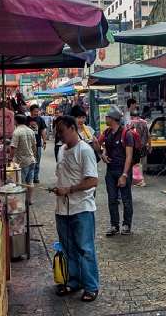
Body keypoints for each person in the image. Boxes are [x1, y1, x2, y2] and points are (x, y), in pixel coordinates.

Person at [52, 115, 100, 302]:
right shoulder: (62, 150)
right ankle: (73, 281)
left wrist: (69, 189)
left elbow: (93, 180)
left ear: (73, 128)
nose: (59, 135)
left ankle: (91, 286)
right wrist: (59, 189)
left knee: (85, 249)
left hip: (82, 208)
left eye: (62, 131)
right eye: (57, 132)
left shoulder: (85, 150)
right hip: (62, 209)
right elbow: (63, 175)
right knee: (68, 247)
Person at [98, 106, 134, 236]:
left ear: (112, 119)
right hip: (110, 171)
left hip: (123, 170)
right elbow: (106, 147)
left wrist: (124, 175)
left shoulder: (126, 134)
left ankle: (126, 225)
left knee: (126, 199)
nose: (105, 118)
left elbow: (129, 156)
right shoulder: (107, 133)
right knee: (112, 199)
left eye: (107, 117)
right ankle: (114, 225)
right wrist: (103, 154)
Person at [9, 114, 37, 199]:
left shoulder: (17, 132)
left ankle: (23, 201)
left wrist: (10, 159)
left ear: (16, 121)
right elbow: (34, 146)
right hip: (32, 160)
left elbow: (13, 147)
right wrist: (34, 156)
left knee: (21, 182)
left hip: (22, 161)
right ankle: (30, 200)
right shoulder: (30, 131)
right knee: (30, 182)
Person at [29, 104, 47, 184]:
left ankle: (35, 177)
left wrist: (44, 141)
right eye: (35, 111)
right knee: (29, 161)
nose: (36, 113)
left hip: (38, 144)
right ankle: (29, 177)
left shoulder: (40, 120)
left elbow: (43, 131)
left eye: (37, 111)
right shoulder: (26, 119)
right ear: (31, 111)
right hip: (28, 144)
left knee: (37, 161)